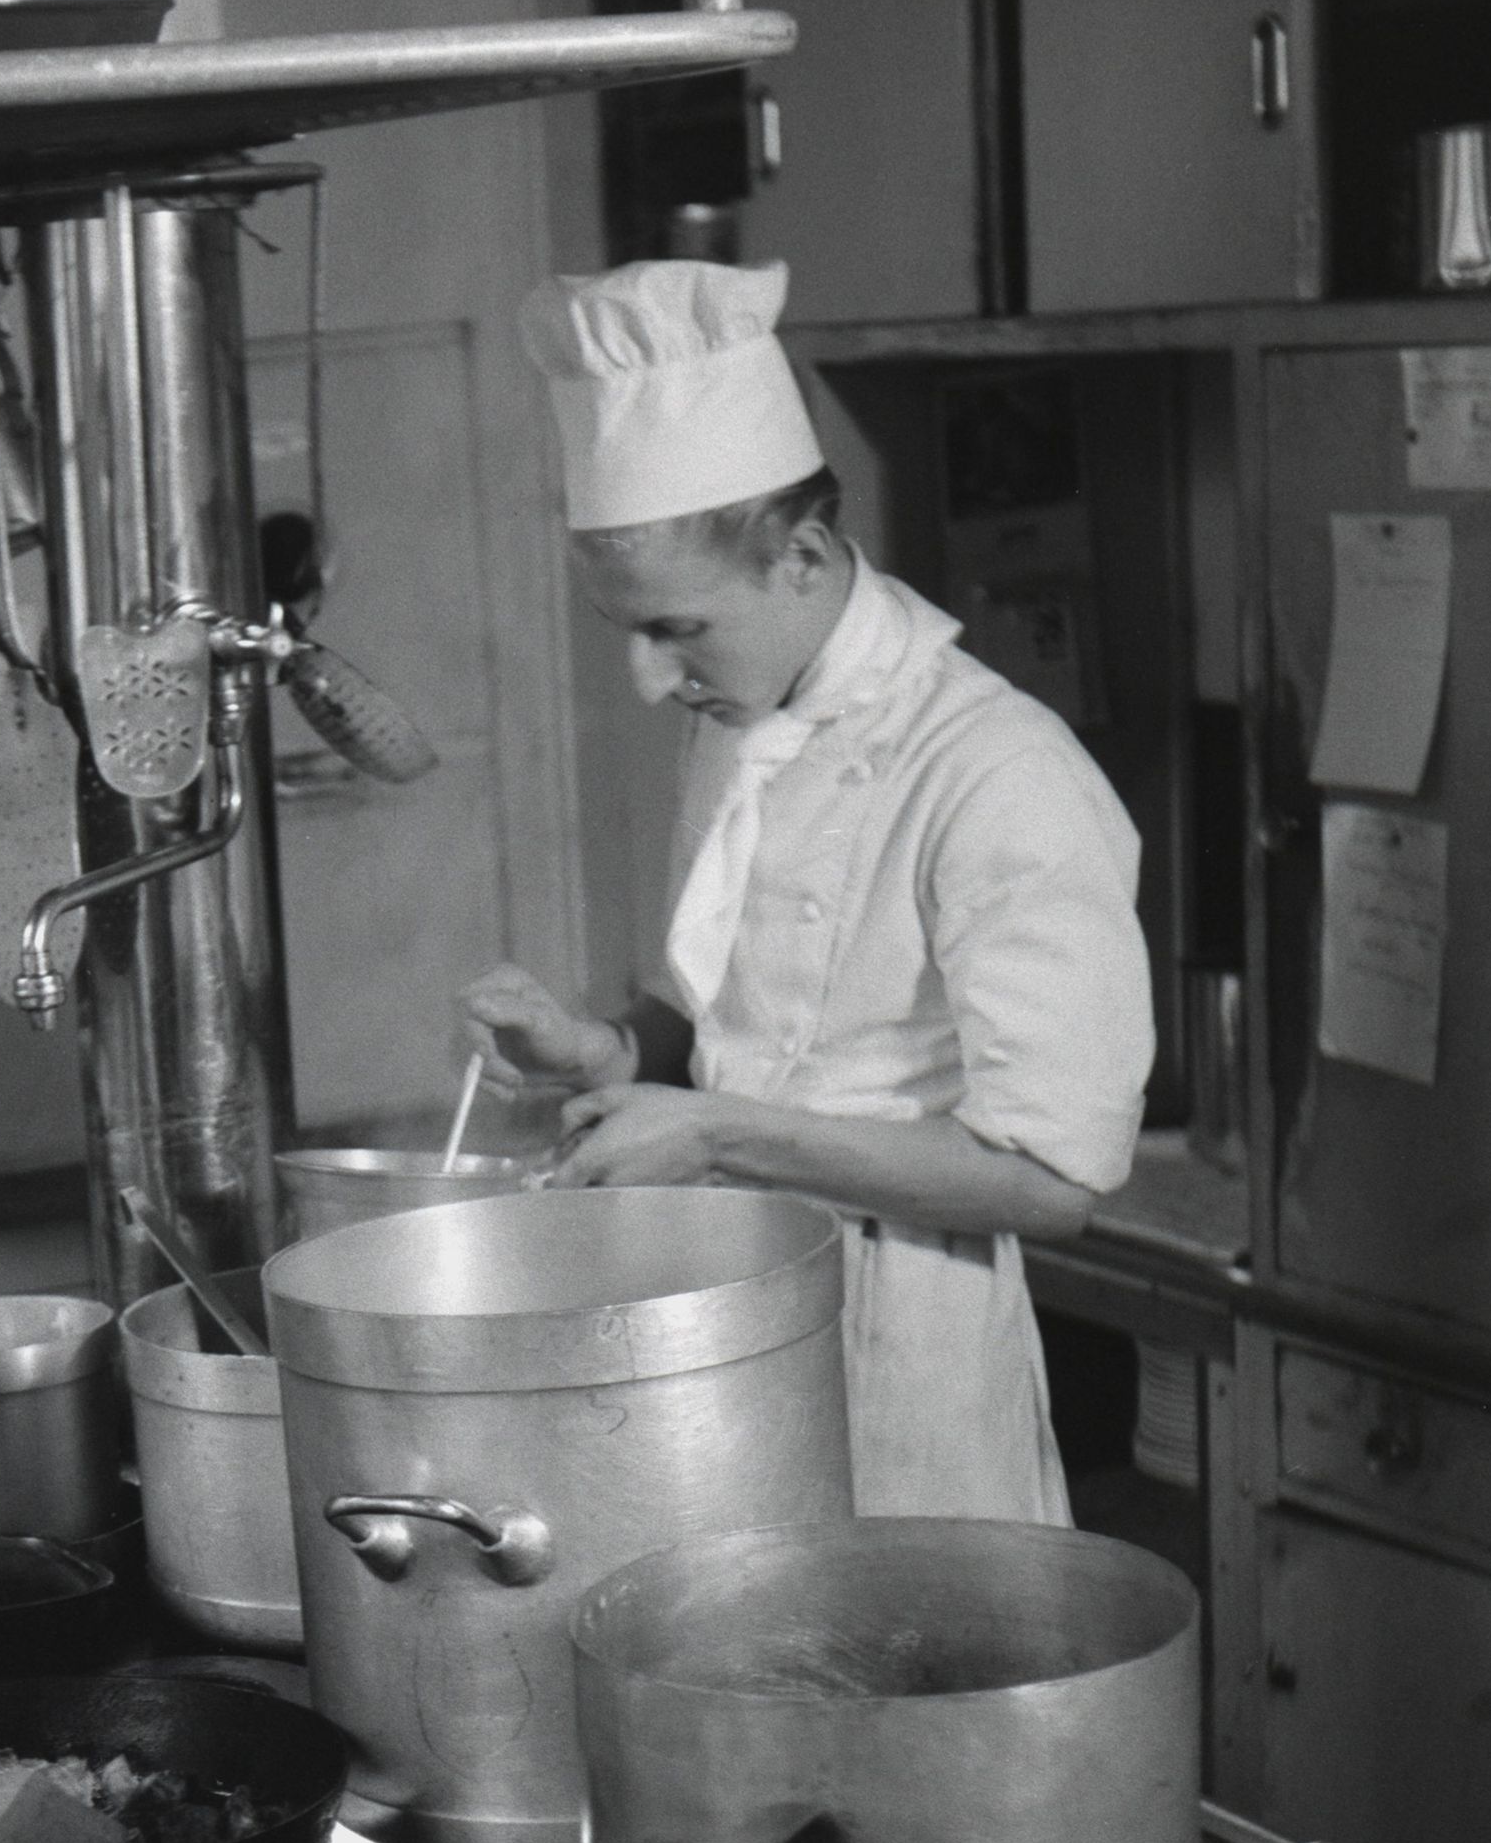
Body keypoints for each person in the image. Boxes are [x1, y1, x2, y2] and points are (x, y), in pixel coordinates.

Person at [467, 258, 1153, 1523]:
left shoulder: (994, 771)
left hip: (905, 1359)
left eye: (676, 629)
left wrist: (715, 1135)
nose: (647, 678)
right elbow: (736, 1026)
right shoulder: (737, 717)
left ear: (799, 556)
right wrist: (604, 1051)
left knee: (891, 1645)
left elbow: (1053, 1182)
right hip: (722, 1327)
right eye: (628, 631)